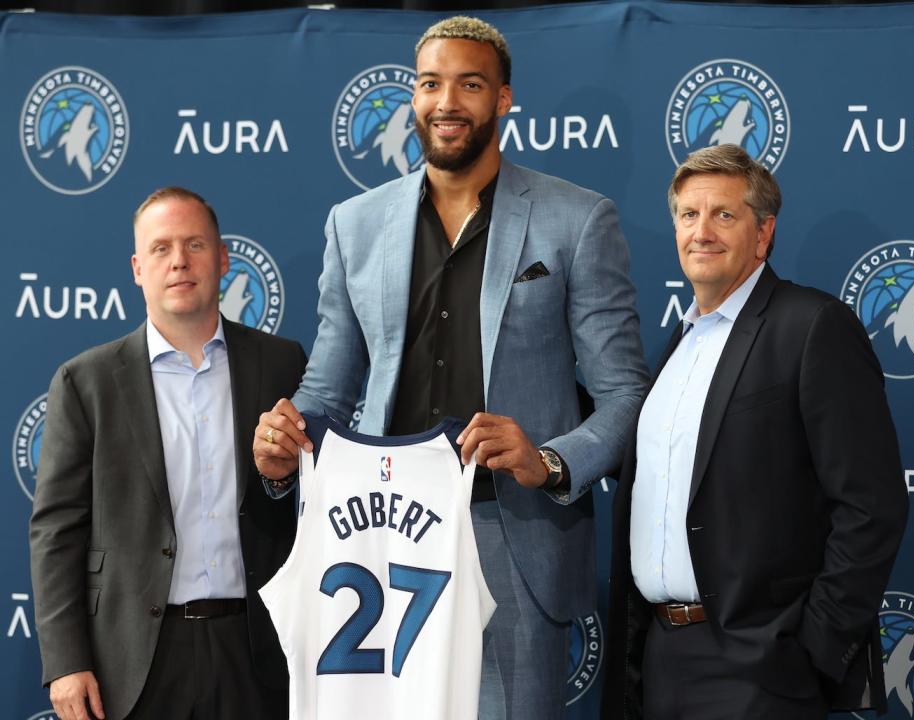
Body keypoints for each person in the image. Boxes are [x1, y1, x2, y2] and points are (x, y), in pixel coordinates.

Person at [253, 15, 648, 719]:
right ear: (413, 96)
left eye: (470, 84)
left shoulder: (577, 220)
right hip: (373, 536)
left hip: (508, 534)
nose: (447, 102)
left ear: (502, 100)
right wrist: (287, 443)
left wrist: (550, 461)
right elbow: (331, 389)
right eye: (431, 83)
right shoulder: (355, 223)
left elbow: (623, 396)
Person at [602, 144, 909, 720]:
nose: (702, 231)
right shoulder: (678, 346)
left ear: (763, 233)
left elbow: (872, 506)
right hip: (661, 661)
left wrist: (812, 651)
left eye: (724, 214)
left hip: (762, 667)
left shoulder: (812, 326)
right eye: (689, 215)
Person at [29, 187, 306, 720]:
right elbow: (56, 531)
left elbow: (308, 496)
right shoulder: (85, 383)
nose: (179, 260)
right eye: (161, 249)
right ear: (138, 268)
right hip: (134, 664)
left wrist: (281, 478)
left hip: (257, 654)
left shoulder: (281, 364)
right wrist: (65, 662)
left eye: (195, 244)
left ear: (224, 258)